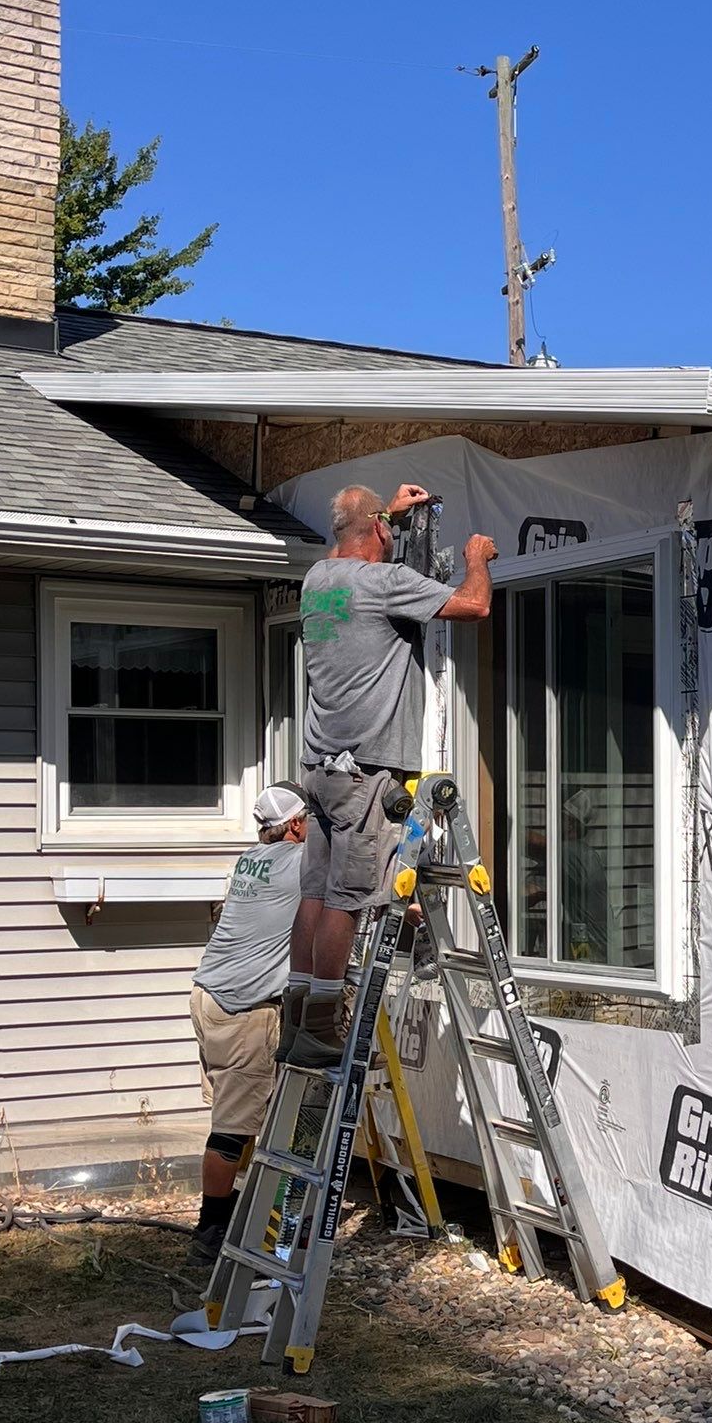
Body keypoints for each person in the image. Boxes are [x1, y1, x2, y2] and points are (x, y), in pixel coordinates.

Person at [286, 480, 497, 1065]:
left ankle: (297, 1011)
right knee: (348, 902)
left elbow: (349, 543)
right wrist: (476, 559)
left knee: (314, 893)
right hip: (366, 773)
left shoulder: (317, 582)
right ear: (379, 530)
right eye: (385, 525)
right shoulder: (386, 584)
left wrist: (389, 513)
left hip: (320, 769)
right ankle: (324, 1024)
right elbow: (474, 605)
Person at [189, 785, 308, 1260]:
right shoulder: (297, 864)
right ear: (297, 825)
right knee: (233, 1129)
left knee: (242, 1118)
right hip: (243, 1009)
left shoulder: (249, 858)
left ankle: (234, 1212)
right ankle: (210, 1232)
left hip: (208, 996)